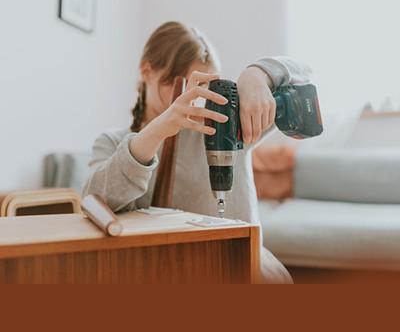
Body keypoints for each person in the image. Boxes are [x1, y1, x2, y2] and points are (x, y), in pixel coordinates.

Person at [83, 21, 311, 284]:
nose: (193, 101)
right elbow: (94, 202)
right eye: (180, 86)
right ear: (147, 71)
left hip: (235, 268)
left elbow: (306, 74)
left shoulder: (221, 123)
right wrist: (155, 132)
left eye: (202, 89)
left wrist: (258, 75)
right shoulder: (114, 142)